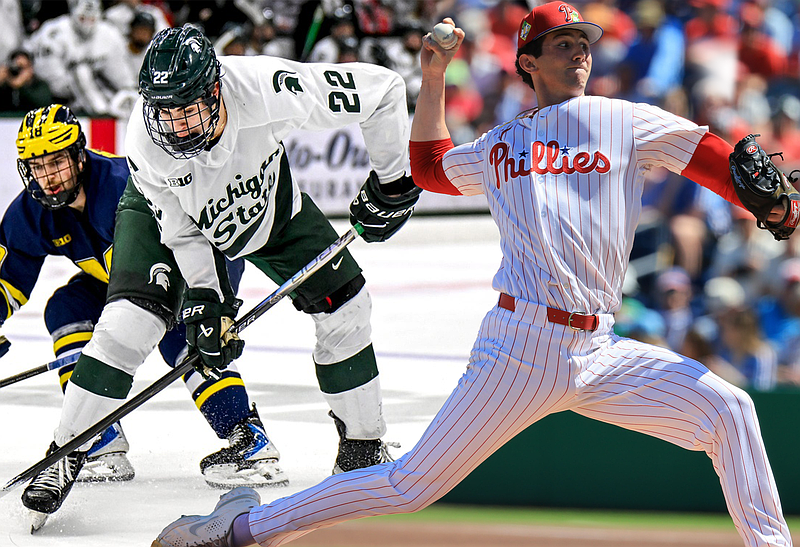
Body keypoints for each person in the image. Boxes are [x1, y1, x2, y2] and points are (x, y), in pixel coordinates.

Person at [152, 4, 793, 547]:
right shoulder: (500, 144)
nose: (577, 54)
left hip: (601, 347)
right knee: (408, 487)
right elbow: (429, 169)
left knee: (730, 411)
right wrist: (433, 77)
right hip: (518, 348)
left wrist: (766, 199)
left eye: (582, 44)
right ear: (527, 62)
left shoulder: (623, 120)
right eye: (559, 44)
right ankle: (241, 531)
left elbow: (713, 156)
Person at [128, 25, 417, 485]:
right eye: (165, 111)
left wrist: (394, 180)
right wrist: (205, 294)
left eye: (188, 108)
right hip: (209, 235)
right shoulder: (145, 144)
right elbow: (180, 230)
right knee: (191, 336)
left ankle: (361, 449)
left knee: (349, 304)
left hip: (279, 216)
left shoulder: (269, 86)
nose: (175, 126)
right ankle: (242, 433)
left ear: (216, 88)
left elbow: (383, 89)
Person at [10, 105, 287, 525]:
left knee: (176, 331)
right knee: (67, 306)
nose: (48, 176)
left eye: (56, 162)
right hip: (121, 283)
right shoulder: (32, 212)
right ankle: (99, 436)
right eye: (37, 166)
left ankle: (247, 437)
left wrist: (207, 302)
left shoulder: (122, 187)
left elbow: (195, 240)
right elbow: (6, 274)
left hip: (189, 268)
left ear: (79, 156)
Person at [24, 0, 137, 117]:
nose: (87, 24)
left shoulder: (109, 34)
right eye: (83, 18)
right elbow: (53, 82)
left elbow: (122, 78)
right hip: (57, 98)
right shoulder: (54, 32)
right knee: (81, 72)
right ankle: (101, 112)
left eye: (92, 19)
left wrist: (123, 93)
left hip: (98, 93)